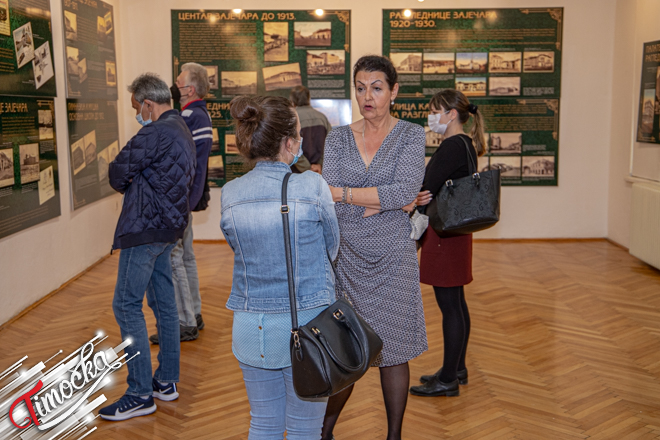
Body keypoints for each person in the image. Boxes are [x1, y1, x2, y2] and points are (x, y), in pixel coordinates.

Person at [220, 95, 340, 439]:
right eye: (298, 135)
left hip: (250, 326)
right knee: (305, 428)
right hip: (310, 325)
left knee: (263, 423)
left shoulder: (230, 193)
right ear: (289, 143)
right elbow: (332, 247)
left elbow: (237, 246)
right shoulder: (313, 186)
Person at [320, 55, 427, 440]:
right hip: (346, 256)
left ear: (393, 91)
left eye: (377, 88)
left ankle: (394, 435)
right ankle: (324, 433)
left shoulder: (411, 135)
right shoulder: (337, 137)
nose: (368, 97)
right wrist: (380, 200)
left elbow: (405, 191)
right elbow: (327, 195)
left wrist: (347, 194)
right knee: (344, 350)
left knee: (394, 349)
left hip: (394, 257)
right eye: (361, 88)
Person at [100, 73, 195, 420]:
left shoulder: (154, 131)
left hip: (145, 228)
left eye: (136, 108)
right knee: (164, 304)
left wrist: (133, 180)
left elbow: (116, 172)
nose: (136, 114)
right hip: (168, 229)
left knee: (126, 305)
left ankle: (139, 393)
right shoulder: (181, 128)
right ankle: (166, 380)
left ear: (148, 104)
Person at [408, 89, 486, 397]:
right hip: (456, 233)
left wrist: (419, 193)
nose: (431, 117)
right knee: (457, 303)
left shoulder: (452, 145)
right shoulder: (465, 143)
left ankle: (448, 379)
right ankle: (457, 368)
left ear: (451, 114)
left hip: (444, 235)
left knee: (450, 307)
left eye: (434, 111)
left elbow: (426, 187)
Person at [149, 62, 212, 345]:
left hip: (178, 196)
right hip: (186, 196)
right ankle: (193, 313)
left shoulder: (189, 116)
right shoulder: (199, 114)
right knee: (186, 257)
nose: (174, 87)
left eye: (178, 83)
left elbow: (174, 157)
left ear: (190, 89)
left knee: (175, 258)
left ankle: (185, 322)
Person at [289, 85, 332, 174]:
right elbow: (331, 145)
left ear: (292, 101)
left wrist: (307, 168)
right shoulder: (322, 118)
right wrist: (319, 165)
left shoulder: (291, 119)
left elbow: (291, 147)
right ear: (309, 98)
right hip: (319, 173)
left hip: (296, 174)